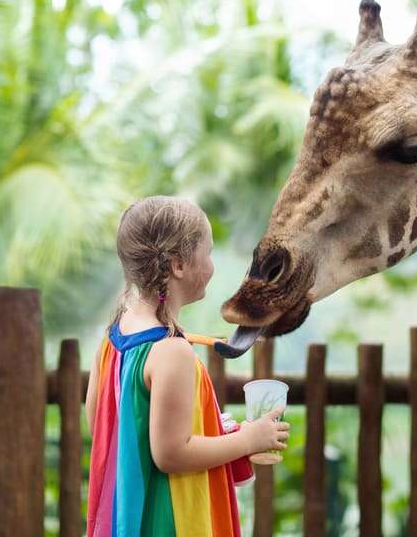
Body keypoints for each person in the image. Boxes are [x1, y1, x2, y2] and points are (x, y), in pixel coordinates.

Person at [85, 196, 290, 536]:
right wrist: (249, 440)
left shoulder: (113, 337)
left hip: (126, 517)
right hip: (169, 521)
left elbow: (102, 423)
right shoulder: (171, 351)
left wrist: (217, 433)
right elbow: (172, 453)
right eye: (207, 253)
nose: (212, 265)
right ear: (178, 265)